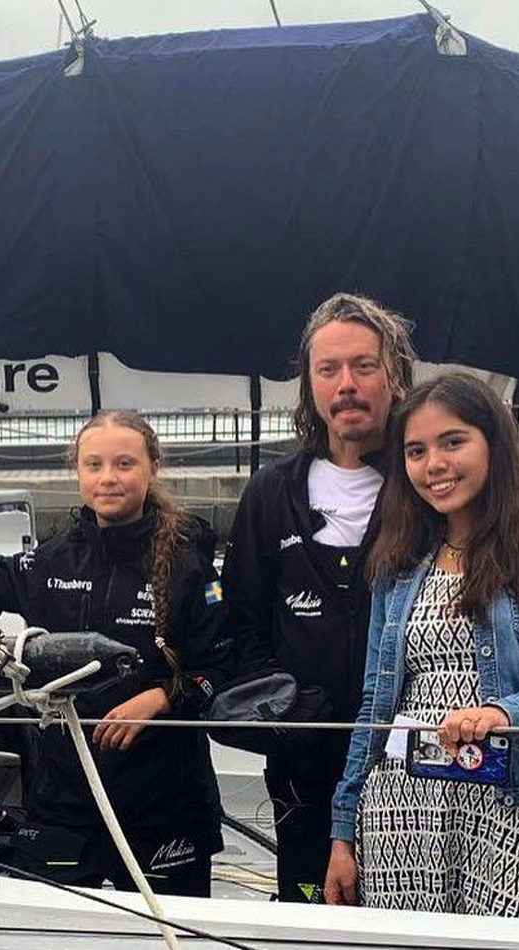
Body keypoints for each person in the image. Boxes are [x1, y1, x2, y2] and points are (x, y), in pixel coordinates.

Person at [0, 410, 231, 896]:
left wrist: (161, 698)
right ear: (77, 471)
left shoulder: (191, 564)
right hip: (64, 802)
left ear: (152, 468)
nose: (108, 478)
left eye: (124, 464)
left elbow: (220, 671)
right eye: (93, 465)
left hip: (165, 807)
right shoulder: (54, 556)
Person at [326, 373, 519, 917]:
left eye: (452, 442)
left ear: (494, 444)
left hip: (511, 807)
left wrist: (506, 712)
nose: (433, 464)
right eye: (415, 451)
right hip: (399, 812)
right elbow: (374, 706)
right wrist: (344, 833)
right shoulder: (397, 564)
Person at [220, 292, 416, 902]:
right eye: (328, 370)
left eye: (364, 366)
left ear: (395, 374)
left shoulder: (425, 484)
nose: (347, 384)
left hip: (408, 760)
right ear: (309, 385)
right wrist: (285, 707)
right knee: (311, 902)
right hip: (304, 758)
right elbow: (240, 622)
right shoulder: (270, 493)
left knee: (406, 909)